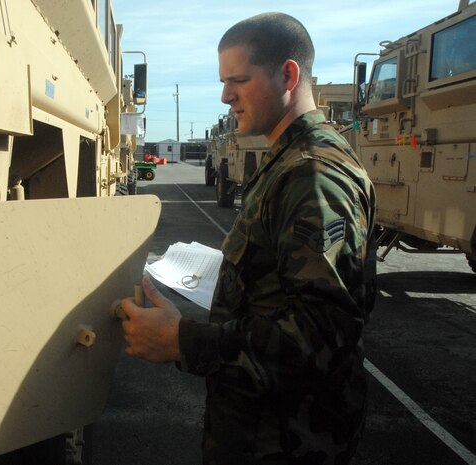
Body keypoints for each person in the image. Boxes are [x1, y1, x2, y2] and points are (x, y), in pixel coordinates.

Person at [120, 12, 377, 465]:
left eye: (238, 80)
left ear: (288, 74)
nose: (225, 96)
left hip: (286, 441)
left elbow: (323, 336)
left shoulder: (313, 175)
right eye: (223, 81)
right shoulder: (288, 162)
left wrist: (184, 341)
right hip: (262, 429)